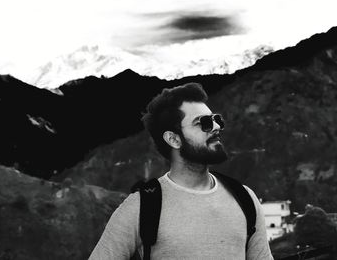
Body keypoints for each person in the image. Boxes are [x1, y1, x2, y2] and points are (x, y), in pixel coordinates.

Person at [89, 82, 273, 259]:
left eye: (216, 119)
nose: (216, 127)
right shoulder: (142, 206)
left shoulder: (245, 198)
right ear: (173, 139)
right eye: (203, 123)